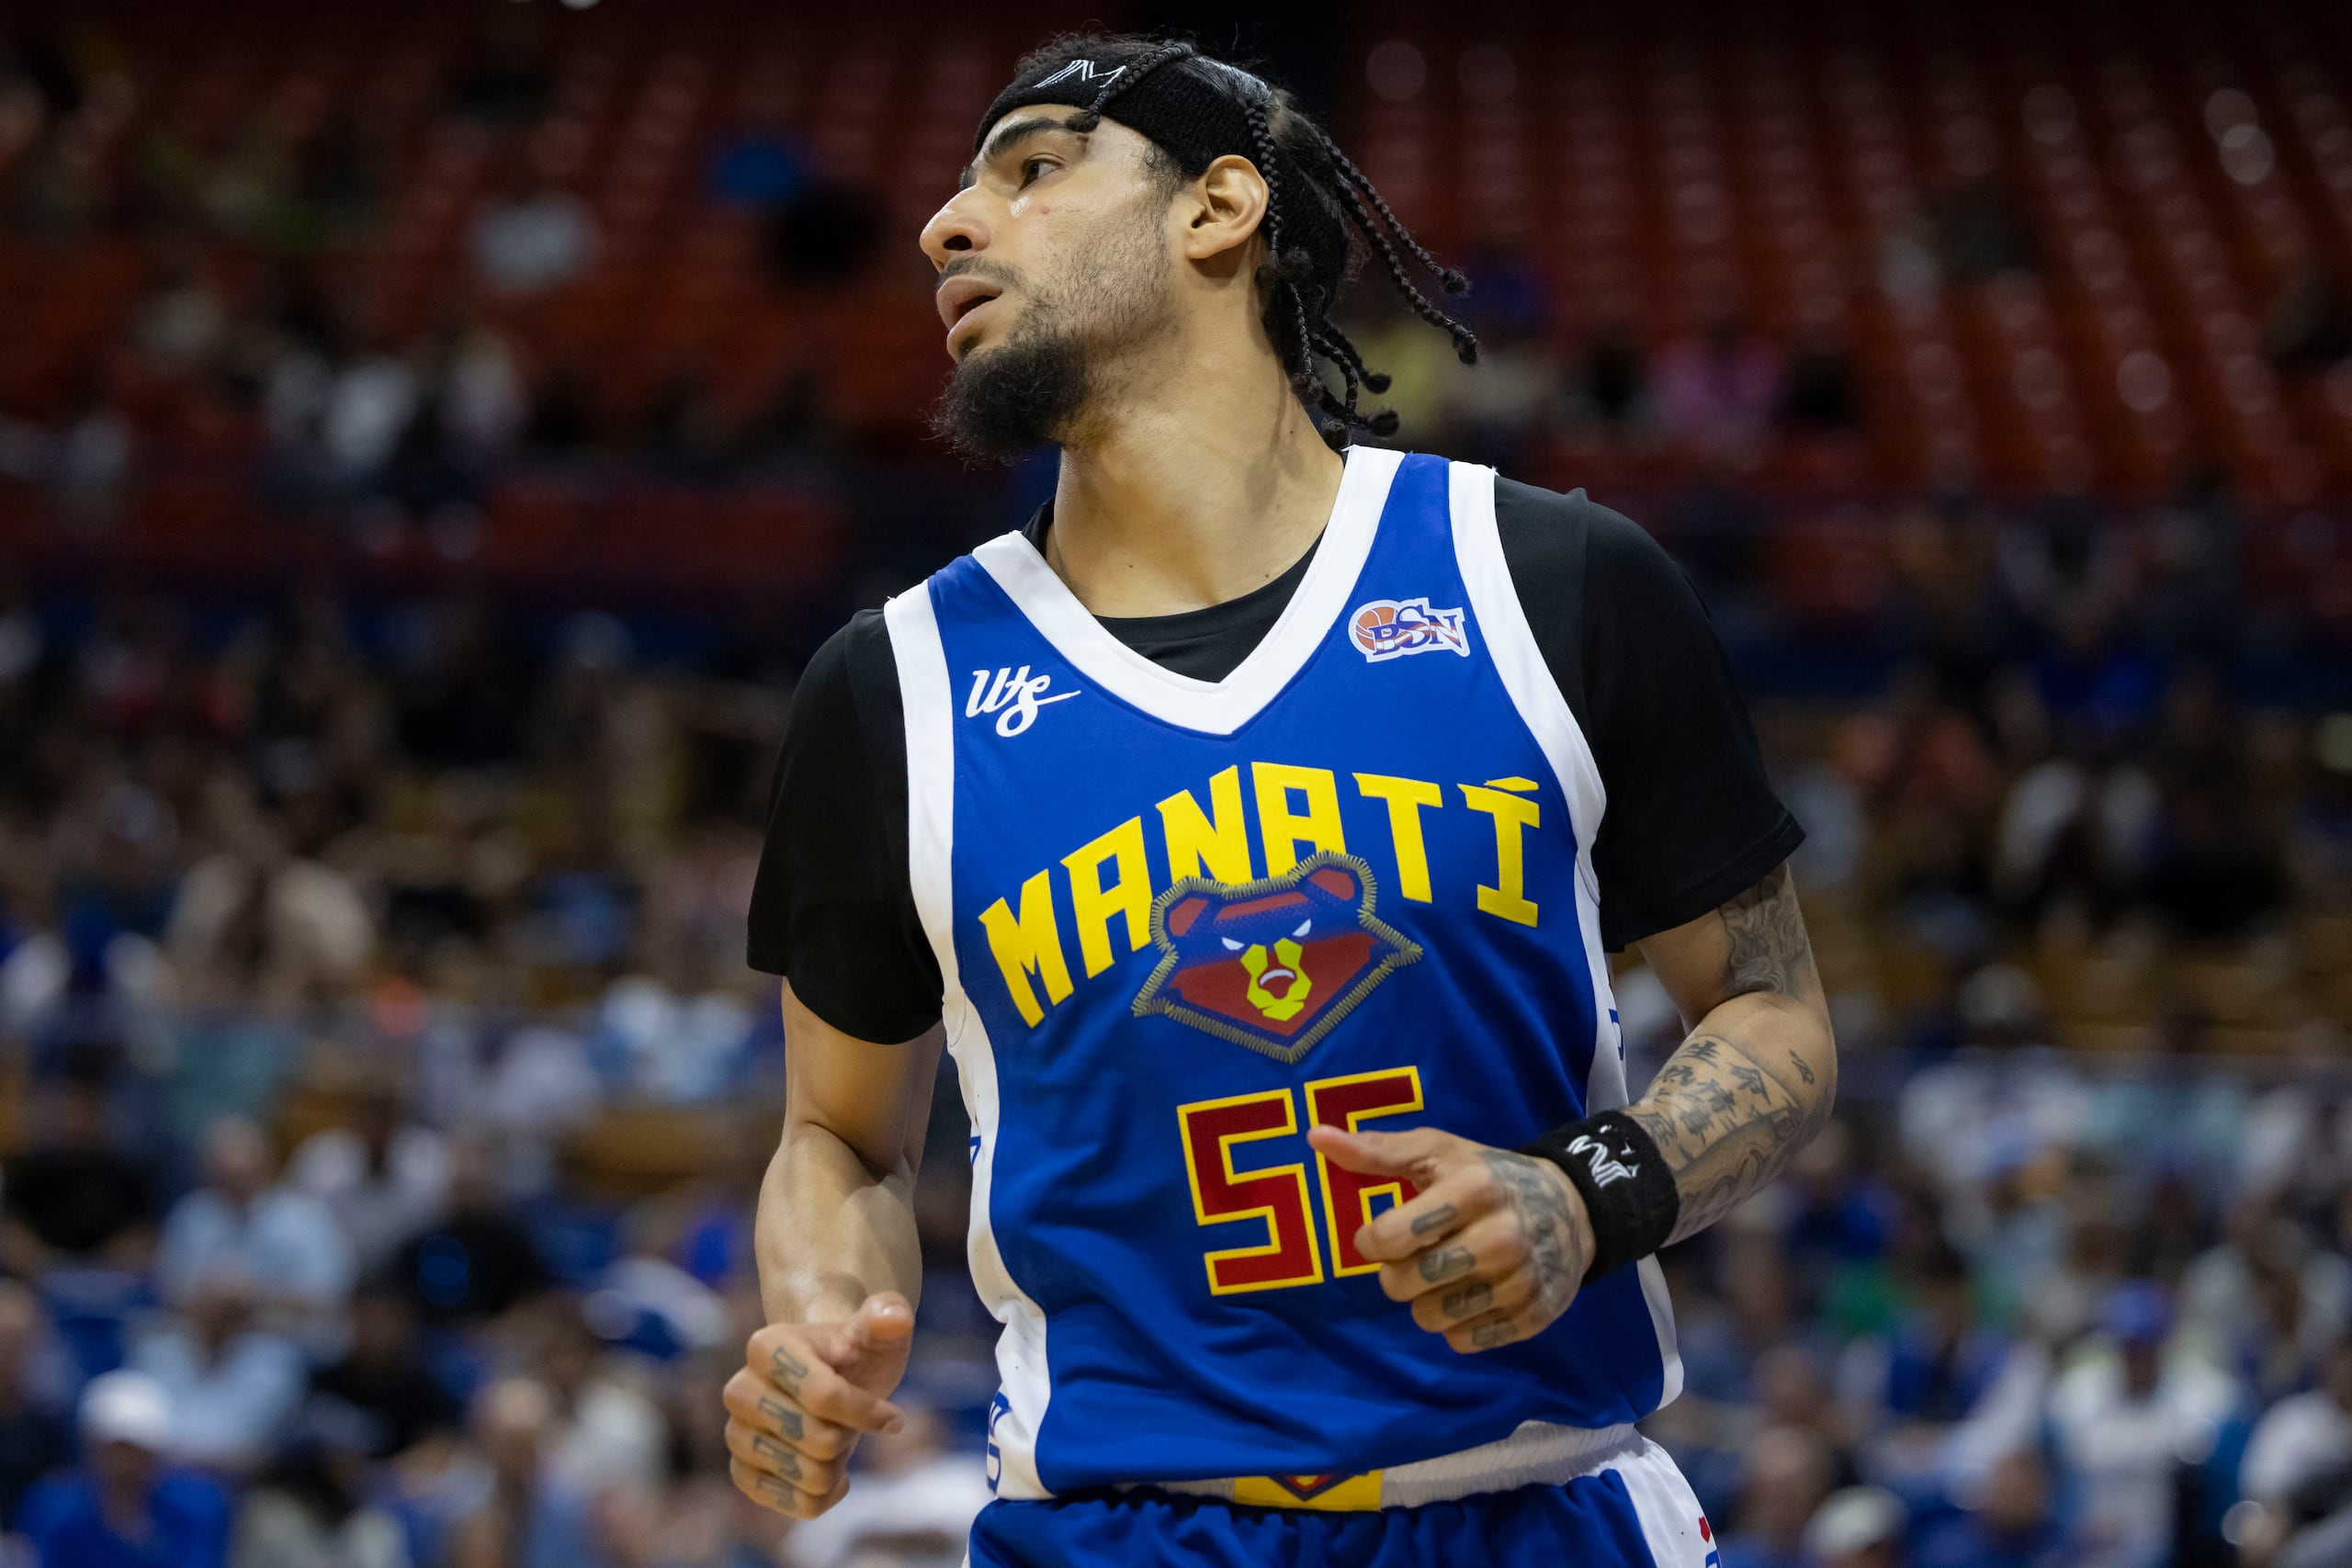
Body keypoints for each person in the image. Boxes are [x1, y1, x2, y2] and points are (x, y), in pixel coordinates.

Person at [729, 32, 1834, 1568]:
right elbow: (838, 1141)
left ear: (1221, 206)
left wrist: (1589, 1195)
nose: (947, 226)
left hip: (1537, 1506)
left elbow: (1774, 1014)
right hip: (1116, 1530)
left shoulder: (1551, 582)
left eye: (1033, 168)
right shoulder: (890, 687)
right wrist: (820, 1320)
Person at [17, 1369, 232, 1568]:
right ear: (89, 1445)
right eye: (113, 1447)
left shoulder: (198, 1505)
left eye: (135, 1448)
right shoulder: (54, 1507)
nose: (122, 1461)